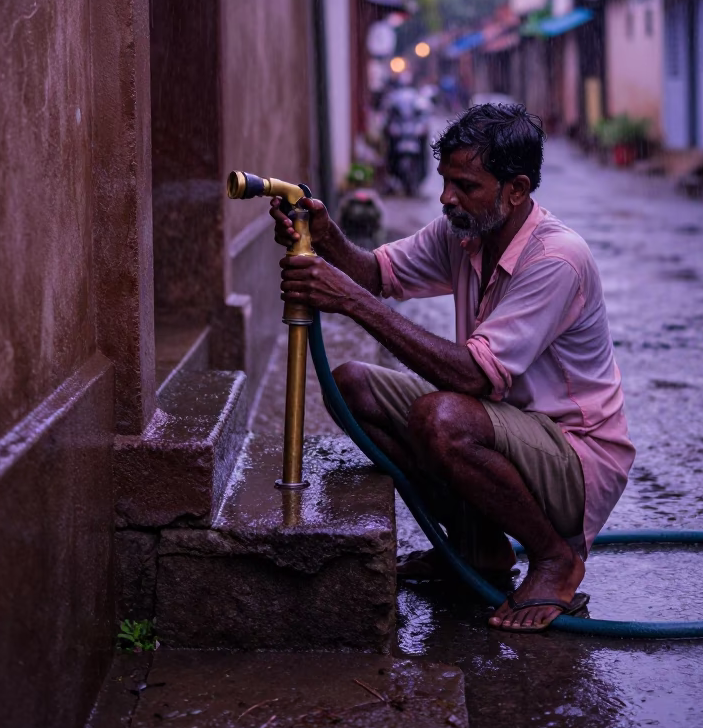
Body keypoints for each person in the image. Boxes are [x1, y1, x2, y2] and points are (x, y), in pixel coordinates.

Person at [272, 103, 634, 633]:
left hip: (576, 454)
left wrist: (348, 300)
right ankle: (478, 547)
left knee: (440, 417)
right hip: (504, 425)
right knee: (352, 387)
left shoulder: (557, 258)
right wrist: (326, 239)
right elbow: (376, 273)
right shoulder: (465, 231)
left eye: (465, 185)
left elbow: (471, 378)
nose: (447, 197)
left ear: (516, 189)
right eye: (445, 181)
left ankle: (556, 559)